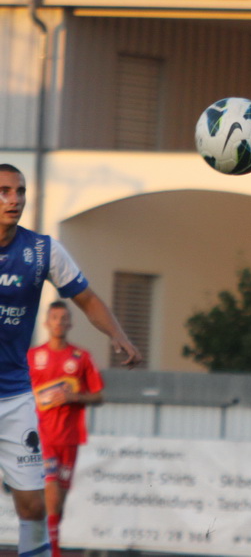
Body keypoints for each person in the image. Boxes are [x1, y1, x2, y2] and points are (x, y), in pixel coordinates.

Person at [0, 163, 141, 557]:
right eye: (4, 191)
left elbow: (87, 298)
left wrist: (118, 334)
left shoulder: (42, 251)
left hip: (14, 395)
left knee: (33, 507)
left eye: (20, 191)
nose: (14, 199)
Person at [28, 301, 105, 557]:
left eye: (64, 318)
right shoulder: (32, 357)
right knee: (50, 489)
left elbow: (99, 395)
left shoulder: (81, 357)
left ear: (70, 323)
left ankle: (47, 538)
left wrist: (74, 397)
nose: (59, 322)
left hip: (70, 437)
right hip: (41, 436)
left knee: (58, 500)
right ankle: (54, 551)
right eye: (55, 318)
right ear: (46, 322)